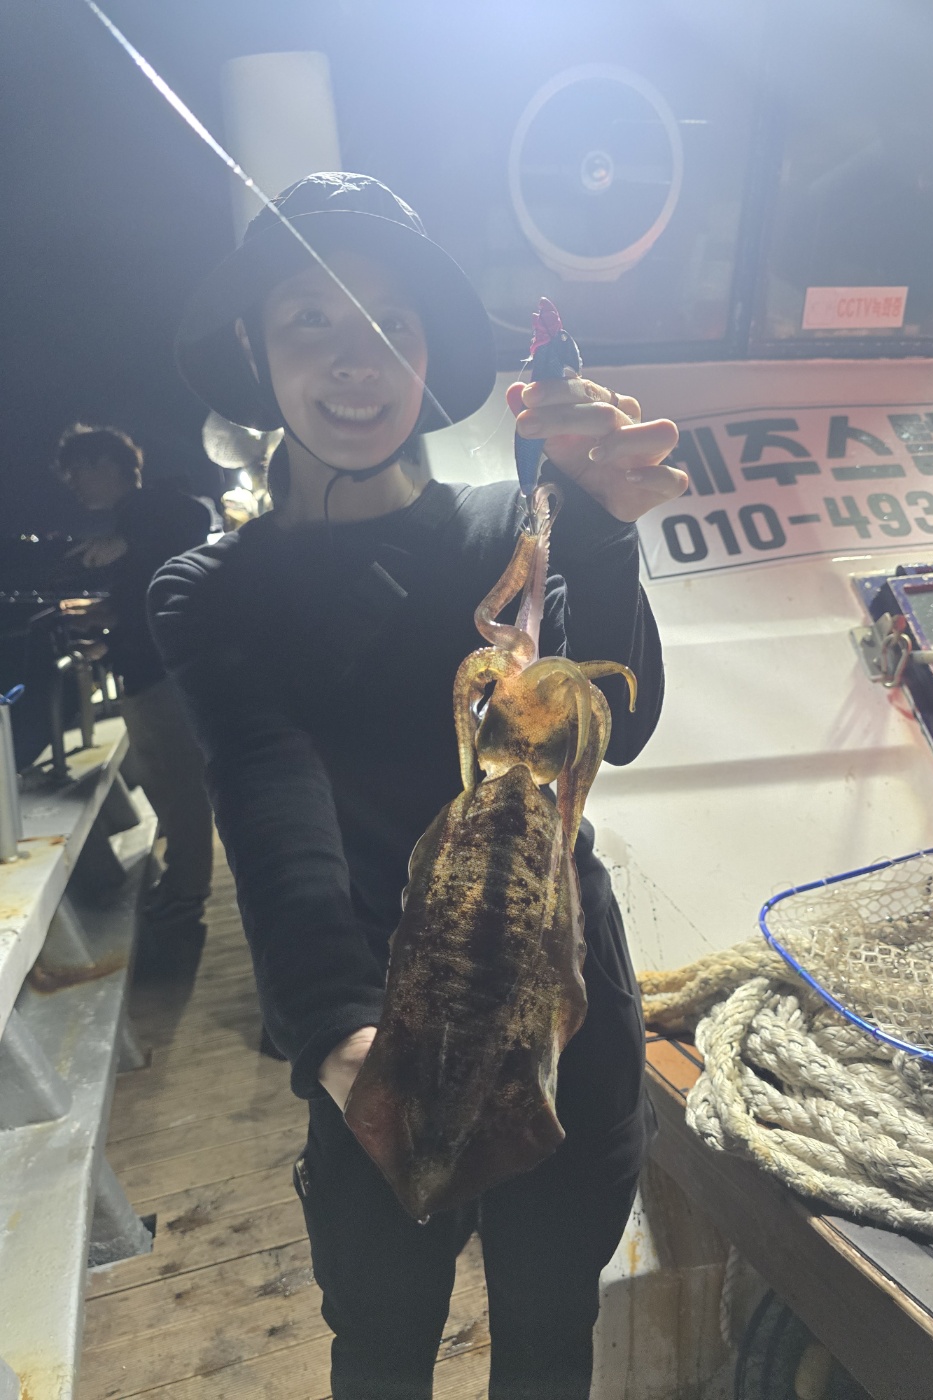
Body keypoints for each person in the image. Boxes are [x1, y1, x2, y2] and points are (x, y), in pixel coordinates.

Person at [148, 172, 685, 1400]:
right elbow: (270, 788)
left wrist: (601, 527)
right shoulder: (212, 589)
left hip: (567, 1007)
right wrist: (342, 1040)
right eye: (312, 320)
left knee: (551, 1334)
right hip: (386, 1013)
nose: (358, 359)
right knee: (381, 1344)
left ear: (428, 354)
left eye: (391, 323)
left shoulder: (510, 527)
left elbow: (624, 726)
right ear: (255, 347)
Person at [54, 424, 214, 948]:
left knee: (179, 784)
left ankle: (188, 890)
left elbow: (195, 517)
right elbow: (144, 596)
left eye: (77, 472)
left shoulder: (151, 507)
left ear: (106, 464)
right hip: (144, 671)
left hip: (163, 675)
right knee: (165, 782)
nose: (73, 485)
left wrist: (126, 542)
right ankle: (181, 879)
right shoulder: (136, 517)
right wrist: (103, 619)